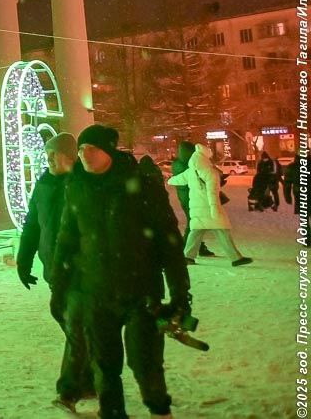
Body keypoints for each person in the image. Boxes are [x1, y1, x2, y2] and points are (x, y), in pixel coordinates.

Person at [50, 125, 191, 419]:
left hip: (141, 292)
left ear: (108, 151)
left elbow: (168, 242)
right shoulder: (76, 186)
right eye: (80, 150)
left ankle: (159, 409)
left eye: (91, 148)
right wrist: (59, 288)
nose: (84, 155)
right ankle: (112, 412)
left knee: (145, 361)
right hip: (96, 292)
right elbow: (66, 240)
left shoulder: (141, 185)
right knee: (104, 364)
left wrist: (180, 292)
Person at [17, 133, 93, 412]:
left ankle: (69, 390)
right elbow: (32, 225)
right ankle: (88, 380)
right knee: (73, 324)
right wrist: (23, 260)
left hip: (82, 268)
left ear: (70, 157)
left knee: (77, 327)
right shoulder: (43, 185)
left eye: (55, 153)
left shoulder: (84, 184)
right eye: (47, 153)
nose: (49, 158)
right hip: (54, 268)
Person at [168, 143, 253, 266]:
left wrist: (169, 180)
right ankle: (235, 258)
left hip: (196, 208)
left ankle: (188, 256)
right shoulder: (210, 172)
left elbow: (177, 179)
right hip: (209, 206)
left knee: (196, 231)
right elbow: (213, 192)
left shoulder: (190, 171)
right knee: (222, 230)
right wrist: (214, 208)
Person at [170, 141, 214, 256]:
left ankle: (197, 247)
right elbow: (188, 180)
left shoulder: (181, 163)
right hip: (189, 198)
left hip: (189, 197)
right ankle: (186, 248)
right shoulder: (184, 164)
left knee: (196, 223)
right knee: (193, 224)